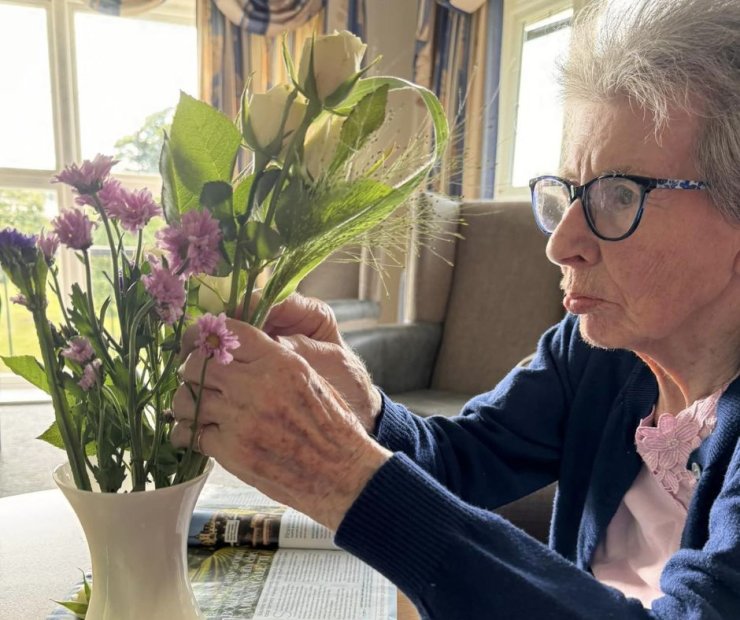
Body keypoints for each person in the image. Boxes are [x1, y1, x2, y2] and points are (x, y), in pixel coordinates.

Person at [172, 0, 740, 616]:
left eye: (621, 195)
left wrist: (341, 476)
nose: (560, 244)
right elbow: (465, 458)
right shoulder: (598, 351)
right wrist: (361, 409)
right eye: (569, 193)